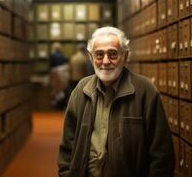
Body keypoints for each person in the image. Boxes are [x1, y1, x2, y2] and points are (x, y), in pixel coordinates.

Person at [57, 26, 175, 177]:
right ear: (91, 57)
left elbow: (162, 153)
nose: (105, 61)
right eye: (99, 55)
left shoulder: (145, 91)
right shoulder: (81, 90)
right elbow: (68, 144)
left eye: (112, 54)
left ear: (125, 56)